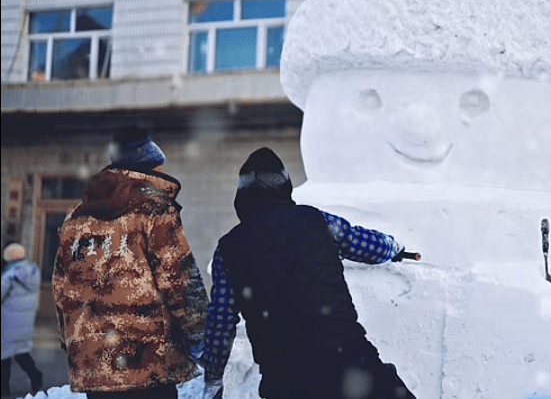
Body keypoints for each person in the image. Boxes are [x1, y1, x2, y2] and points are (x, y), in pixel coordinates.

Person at [201, 147, 416, 399]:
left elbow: (220, 323)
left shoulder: (228, 249)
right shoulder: (314, 220)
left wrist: (213, 379)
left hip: (285, 378)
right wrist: (394, 248)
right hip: (348, 359)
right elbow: (361, 242)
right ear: (285, 187)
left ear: (241, 196)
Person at [52, 126, 208, 399]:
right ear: (144, 171)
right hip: (147, 364)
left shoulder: (74, 219)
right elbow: (180, 282)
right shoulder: (153, 209)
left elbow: (61, 290)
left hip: (95, 364)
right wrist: (202, 340)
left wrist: (74, 344)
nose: (161, 173)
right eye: (158, 168)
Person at [1, 244, 44, 398]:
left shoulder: (10, 274)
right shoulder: (33, 271)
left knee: (4, 357)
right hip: (24, 322)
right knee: (21, 352)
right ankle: (35, 376)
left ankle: (3, 390)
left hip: (7, 322)